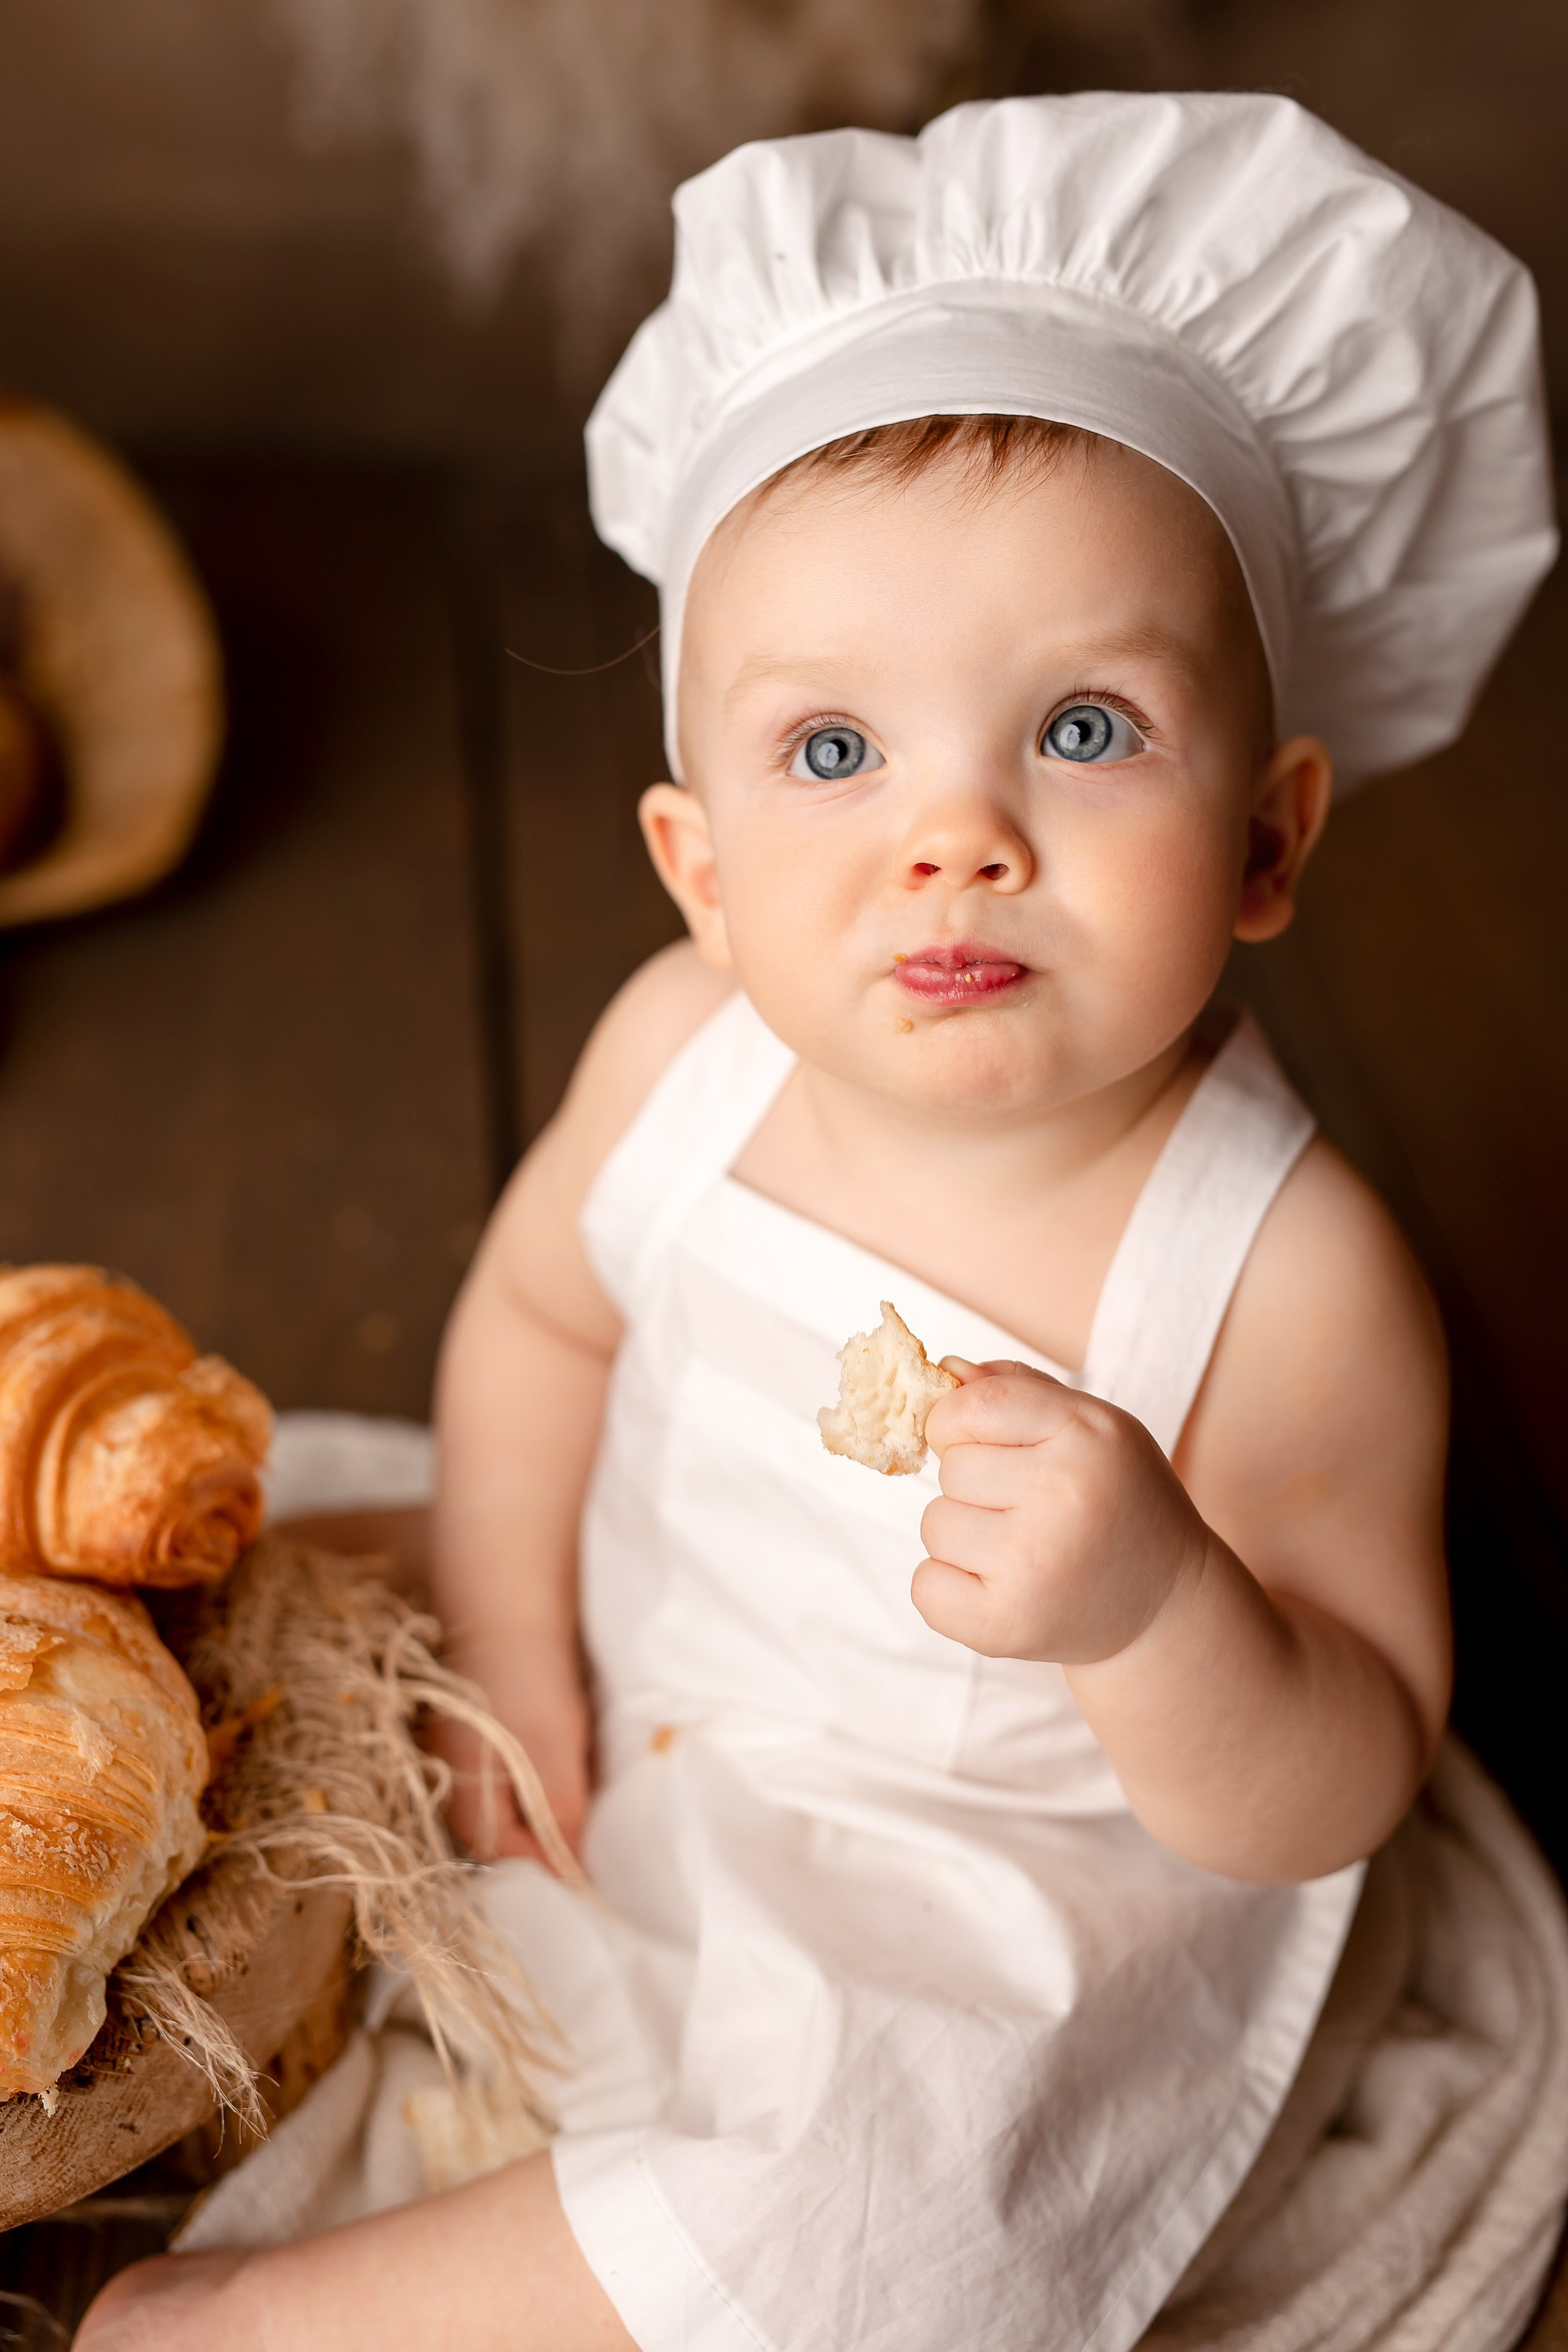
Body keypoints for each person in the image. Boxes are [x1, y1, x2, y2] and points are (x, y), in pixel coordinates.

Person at [81, 90, 1555, 2352]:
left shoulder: (1288, 1272)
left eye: (1084, 729)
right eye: (837, 753)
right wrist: (515, 1640)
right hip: (640, 1691)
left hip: (996, 1899)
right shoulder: (684, 1050)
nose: (957, 836)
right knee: (210, 1712)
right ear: (699, 868)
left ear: (1270, 838)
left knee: (884, 2217)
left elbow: (1342, 1781)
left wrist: (1157, 1600)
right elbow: (541, 1327)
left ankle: (254, 2325)